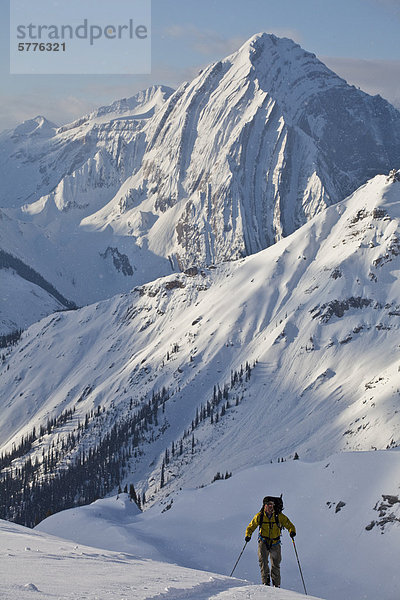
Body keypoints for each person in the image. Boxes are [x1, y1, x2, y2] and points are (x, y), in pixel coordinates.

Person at [245, 496, 296, 587]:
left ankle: (276, 584)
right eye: (268, 504)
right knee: (263, 561)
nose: (270, 506)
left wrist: (292, 531)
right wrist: (248, 535)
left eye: (272, 504)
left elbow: (289, 524)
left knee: (275, 564)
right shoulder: (260, 516)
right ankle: (266, 582)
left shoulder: (278, 516)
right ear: (264, 505)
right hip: (263, 542)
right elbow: (251, 526)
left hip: (275, 543)